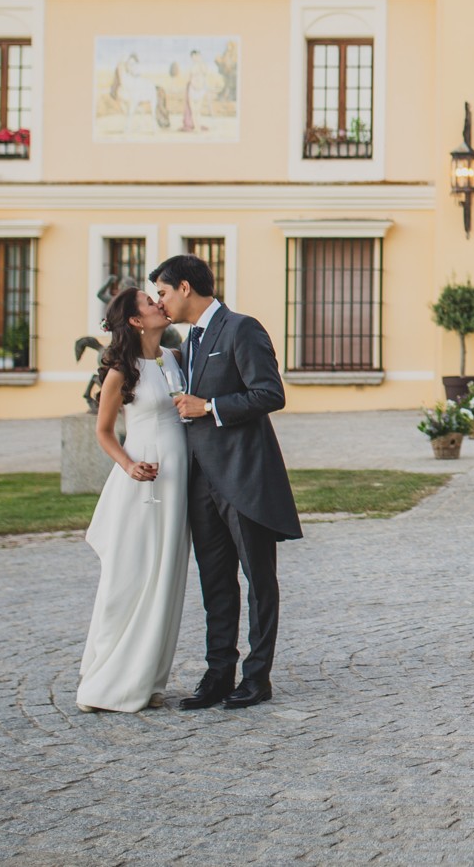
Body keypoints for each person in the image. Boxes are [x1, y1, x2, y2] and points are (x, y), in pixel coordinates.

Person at [151, 254, 300, 712]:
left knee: (259, 581)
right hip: (199, 481)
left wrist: (210, 406)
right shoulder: (186, 342)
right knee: (214, 582)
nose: (160, 301)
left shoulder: (241, 327)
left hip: (244, 476)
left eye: (162, 292)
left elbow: (270, 392)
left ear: (184, 288)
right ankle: (217, 675)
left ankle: (257, 678)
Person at [76, 288, 189, 713]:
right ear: (137, 321)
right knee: (132, 577)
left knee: (166, 577)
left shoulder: (175, 360)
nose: (159, 303)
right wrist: (128, 465)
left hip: (179, 482)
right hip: (143, 484)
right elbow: (104, 432)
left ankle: (147, 678)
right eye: (148, 301)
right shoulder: (121, 372)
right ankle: (106, 683)